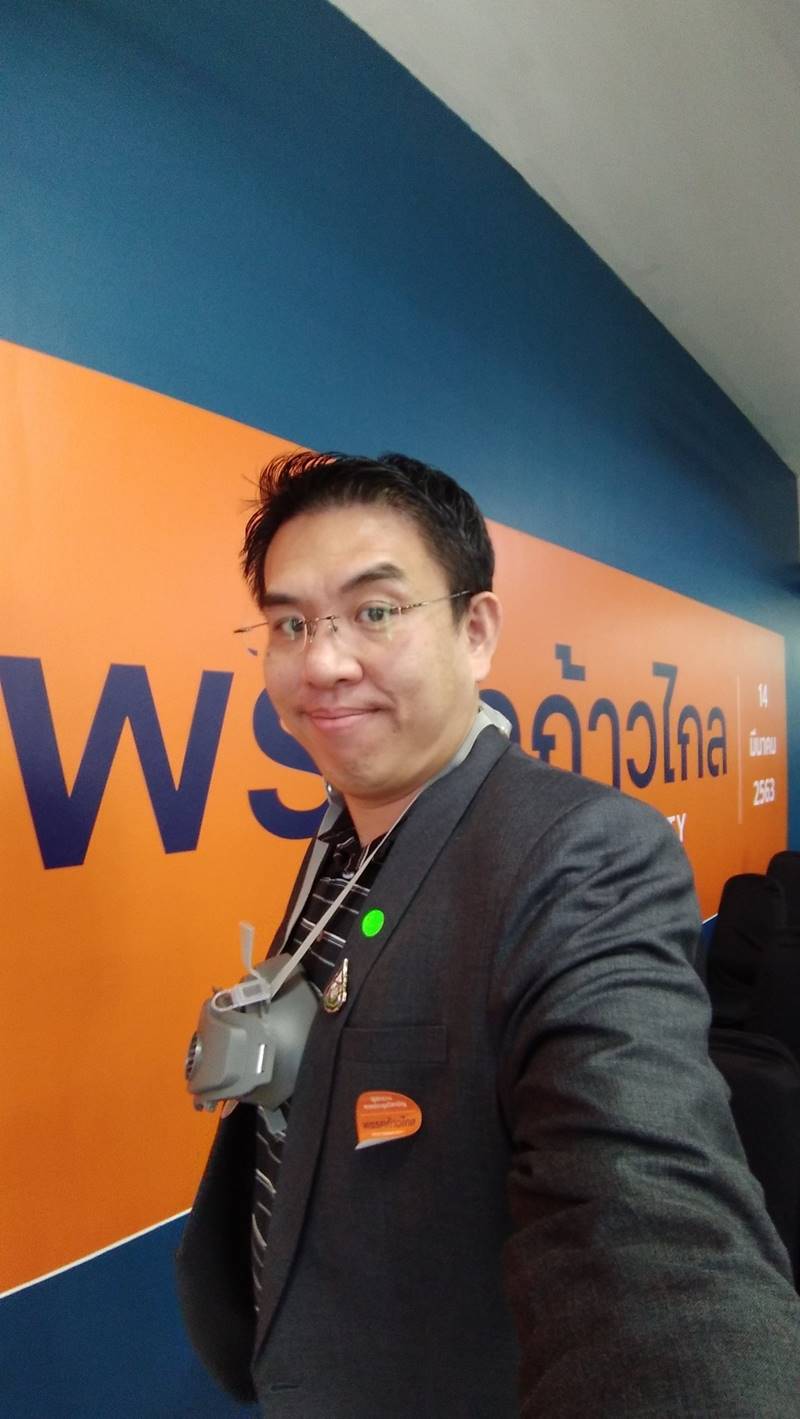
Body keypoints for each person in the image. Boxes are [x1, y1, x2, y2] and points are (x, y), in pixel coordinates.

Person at [177, 450, 800, 1417]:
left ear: (476, 633)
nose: (323, 662)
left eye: (375, 611)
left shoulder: (581, 854)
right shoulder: (344, 831)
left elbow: (647, 1212)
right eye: (291, 623)